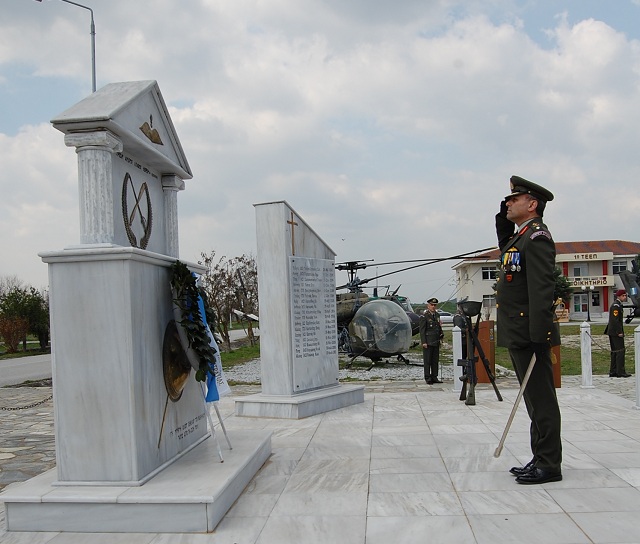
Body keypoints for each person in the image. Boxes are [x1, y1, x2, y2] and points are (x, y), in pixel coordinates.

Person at [495, 175, 562, 485]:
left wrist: (539, 336)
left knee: (541, 399)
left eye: (514, 199)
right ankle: (540, 456)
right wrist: (502, 220)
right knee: (533, 399)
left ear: (532, 204)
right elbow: (507, 254)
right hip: (521, 331)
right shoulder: (521, 237)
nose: (509, 202)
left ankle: (549, 464)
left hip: (530, 332)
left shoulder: (537, 238)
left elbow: (541, 290)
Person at [606, 289, 631, 378]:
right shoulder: (616, 306)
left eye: (625, 295)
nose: (625, 297)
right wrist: (619, 332)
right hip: (615, 332)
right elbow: (615, 321)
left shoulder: (618, 305)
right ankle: (620, 371)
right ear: (619, 296)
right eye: (623, 295)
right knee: (620, 351)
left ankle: (613, 370)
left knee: (615, 351)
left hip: (612, 331)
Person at [419, 298, 444, 384]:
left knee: (435, 360)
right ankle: (427, 377)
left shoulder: (437, 315)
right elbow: (422, 330)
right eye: (432, 305)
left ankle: (434, 376)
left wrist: (441, 335)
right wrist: (424, 342)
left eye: (435, 305)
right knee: (428, 360)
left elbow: (438, 327)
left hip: (435, 340)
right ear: (428, 305)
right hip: (428, 341)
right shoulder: (424, 316)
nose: (433, 307)